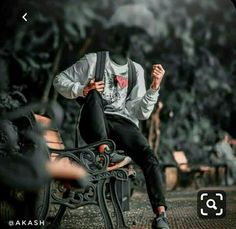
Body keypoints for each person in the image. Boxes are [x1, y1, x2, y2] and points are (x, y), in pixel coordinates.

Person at [53, 27, 170, 229]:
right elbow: (59, 81)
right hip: (93, 121)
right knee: (94, 94)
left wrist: (154, 87)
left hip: (121, 123)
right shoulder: (93, 61)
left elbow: (140, 112)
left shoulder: (136, 70)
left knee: (148, 156)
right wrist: (82, 89)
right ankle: (104, 153)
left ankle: (161, 215)